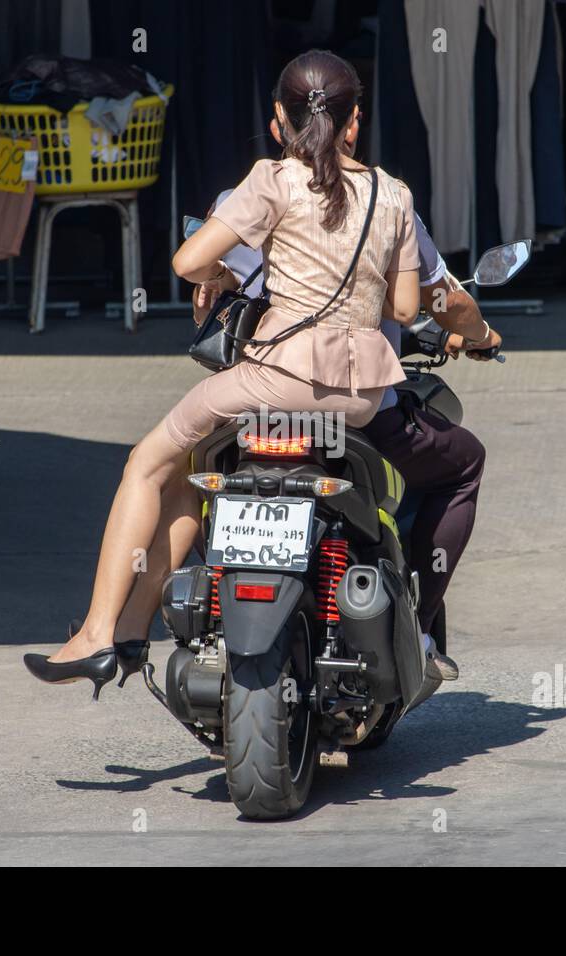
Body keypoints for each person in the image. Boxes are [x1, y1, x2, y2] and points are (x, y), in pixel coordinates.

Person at [24, 50, 421, 697]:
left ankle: (98, 631)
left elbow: (187, 262)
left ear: (278, 123)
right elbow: (404, 308)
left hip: (273, 379)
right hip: (360, 398)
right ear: (354, 124)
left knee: (148, 463)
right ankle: (129, 629)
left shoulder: (272, 181)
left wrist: (227, 272)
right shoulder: (394, 195)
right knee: (186, 477)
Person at [198, 198, 498, 682]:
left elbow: (196, 271)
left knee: (180, 470)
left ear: (278, 123)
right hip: (352, 407)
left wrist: (217, 280)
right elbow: (435, 301)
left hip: (251, 403)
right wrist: (480, 333)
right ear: (353, 122)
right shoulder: (385, 200)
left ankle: (130, 630)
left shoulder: (241, 198)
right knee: (464, 464)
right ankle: (417, 633)